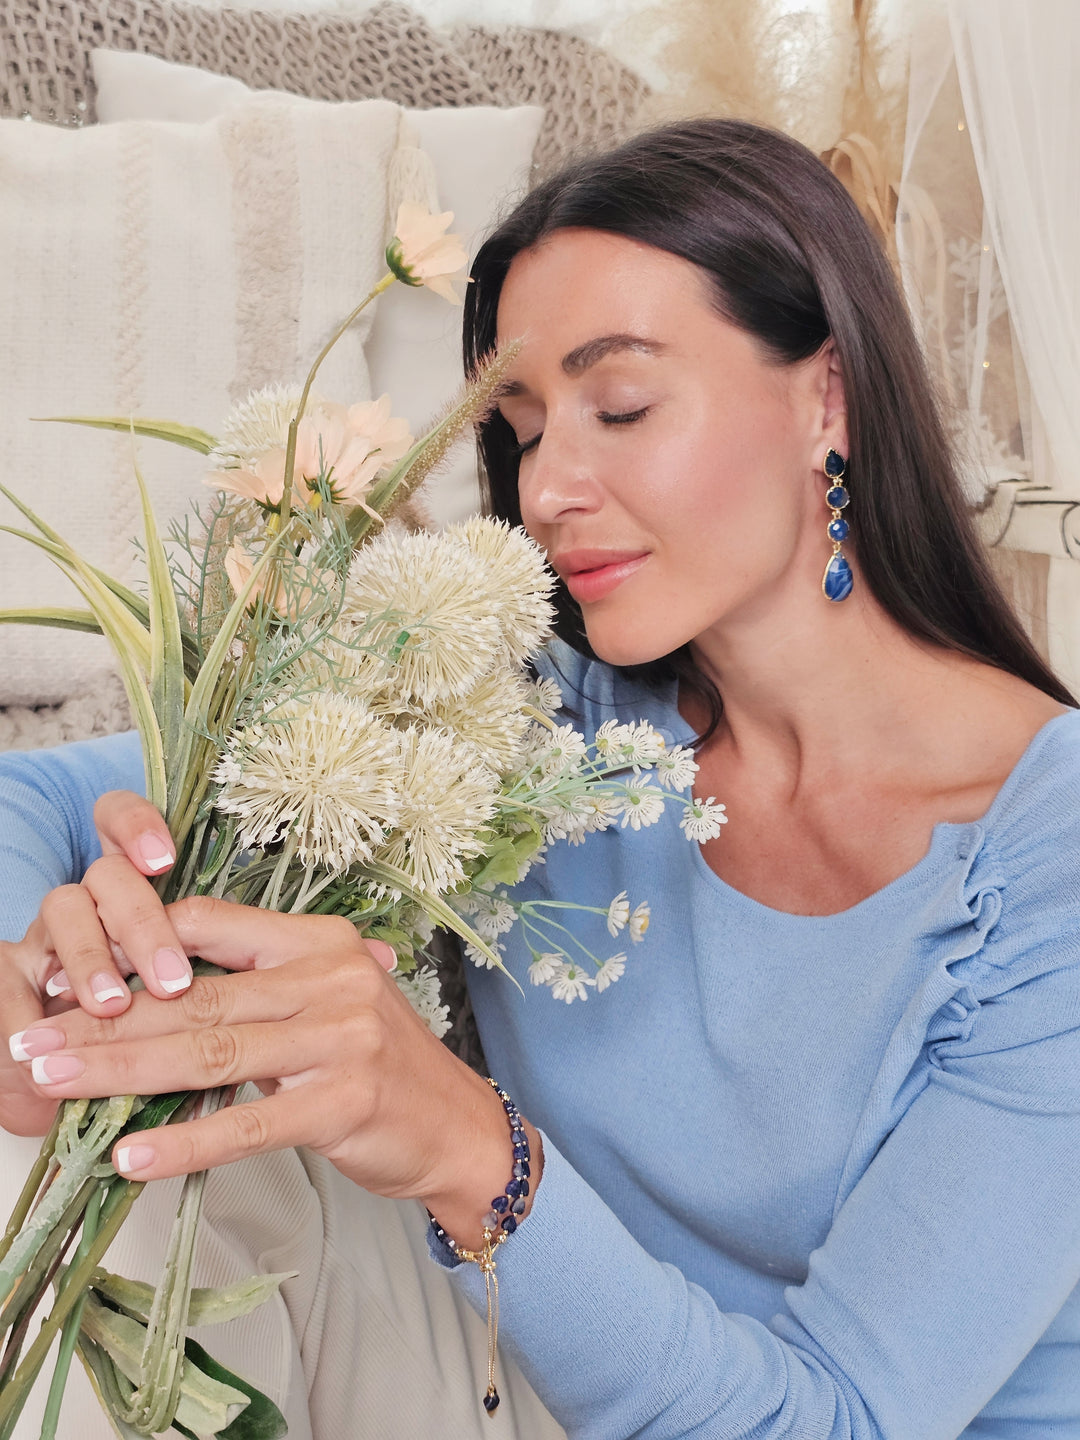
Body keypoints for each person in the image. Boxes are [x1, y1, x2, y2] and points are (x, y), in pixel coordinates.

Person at [1, 117, 1079, 1439]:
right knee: (107, 1124)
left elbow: (839, 1418)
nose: (550, 484)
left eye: (619, 404)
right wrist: (35, 992)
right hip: (522, 1385)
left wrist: (473, 1149)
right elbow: (34, 799)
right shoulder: (534, 713)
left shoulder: (1050, 854)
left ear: (827, 398)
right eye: (519, 426)